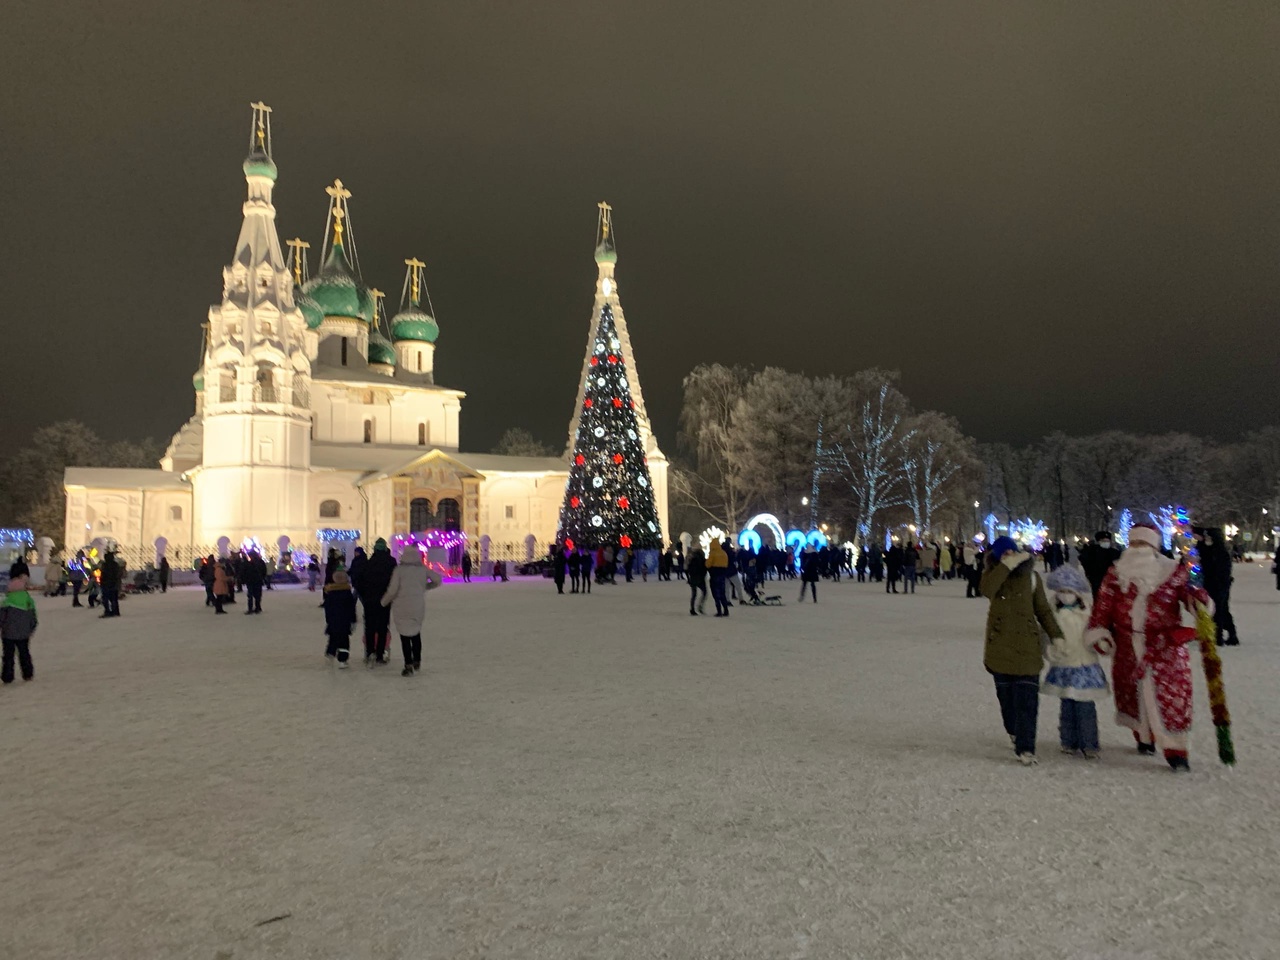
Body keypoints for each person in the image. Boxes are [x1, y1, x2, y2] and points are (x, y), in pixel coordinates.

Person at [1085, 523, 1209, 772]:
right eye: (1135, 544)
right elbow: (1103, 607)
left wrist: (1199, 604)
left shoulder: (1174, 571)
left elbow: (1190, 598)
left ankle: (1177, 749)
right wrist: (1100, 634)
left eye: (1144, 544)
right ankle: (1144, 737)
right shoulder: (1115, 573)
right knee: (1134, 694)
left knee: (1171, 697)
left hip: (1165, 646)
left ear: (1153, 546)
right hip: (1128, 646)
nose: (1138, 549)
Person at [981, 535, 1063, 766]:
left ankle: (1026, 747)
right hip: (1000, 649)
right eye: (1003, 553)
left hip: (1027, 646)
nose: (1008, 556)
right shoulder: (992, 576)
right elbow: (986, 590)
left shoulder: (1032, 578)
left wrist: (1056, 635)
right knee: (1007, 700)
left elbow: (1044, 610)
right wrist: (1003, 568)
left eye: (1011, 552)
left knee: (1027, 700)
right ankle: (1014, 731)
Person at [1040, 565, 1108, 758]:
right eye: (1061, 591)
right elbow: (1045, 635)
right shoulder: (1051, 612)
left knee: (1085, 706)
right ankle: (1068, 740)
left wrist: (1101, 642)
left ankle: (1089, 743)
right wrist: (1050, 650)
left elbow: (1097, 630)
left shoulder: (1087, 611)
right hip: (1063, 664)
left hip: (1085, 664)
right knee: (1067, 705)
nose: (1065, 595)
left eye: (1069, 591)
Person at [381, 546, 442, 676]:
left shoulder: (399, 570)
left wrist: (384, 602)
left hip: (401, 606)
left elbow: (392, 590)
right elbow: (438, 579)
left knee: (404, 636)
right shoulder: (422, 569)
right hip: (417, 605)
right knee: (415, 634)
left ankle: (408, 664)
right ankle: (417, 660)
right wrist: (426, 587)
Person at [353, 539, 397, 665]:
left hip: (370, 600)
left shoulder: (368, 564)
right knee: (383, 627)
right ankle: (379, 654)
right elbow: (395, 581)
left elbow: (358, 581)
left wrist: (364, 595)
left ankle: (369, 652)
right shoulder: (391, 563)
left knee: (370, 627)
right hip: (385, 599)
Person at [1194, 527, 1237, 646]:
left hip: (1218, 584)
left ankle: (1219, 636)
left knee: (1218, 609)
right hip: (1215, 583)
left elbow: (1219, 568)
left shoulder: (1218, 551)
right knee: (1219, 608)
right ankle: (1227, 634)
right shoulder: (1212, 549)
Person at [1, 571, 38, 684]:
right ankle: (27, 673)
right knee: (24, 653)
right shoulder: (29, 601)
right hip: (23, 633)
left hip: (8, 633)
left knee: (8, 655)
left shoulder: (6, 602)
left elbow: (1, 618)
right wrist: (30, 629)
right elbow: (33, 618)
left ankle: (7, 676)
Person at [323, 570, 357, 667]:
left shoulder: (330, 593)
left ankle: (330, 652)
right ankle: (342, 659)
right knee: (344, 641)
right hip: (345, 622)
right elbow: (351, 609)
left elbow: (327, 608)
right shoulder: (347, 594)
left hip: (333, 621)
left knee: (333, 638)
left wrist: (328, 619)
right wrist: (353, 620)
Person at [1078, 531, 1122, 598]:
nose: (1106, 542)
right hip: (1096, 580)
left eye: (1107, 540)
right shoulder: (1092, 551)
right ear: (1099, 541)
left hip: (1111, 581)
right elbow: (1085, 562)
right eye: (1103, 540)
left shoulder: (1114, 552)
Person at [706, 538, 730, 616]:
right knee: (722, 593)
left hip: (714, 575)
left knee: (716, 594)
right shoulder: (723, 553)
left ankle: (719, 611)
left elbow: (708, 564)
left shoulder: (713, 553)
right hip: (722, 575)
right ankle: (726, 610)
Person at [99, 549, 122, 618]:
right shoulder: (115, 565)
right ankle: (115, 611)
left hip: (106, 583)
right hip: (113, 584)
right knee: (114, 599)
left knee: (106, 599)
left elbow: (103, 574)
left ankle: (108, 611)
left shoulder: (105, 565)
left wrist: (101, 581)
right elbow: (118, 574)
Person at [242, 550, 267, 614]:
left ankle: (251, 608)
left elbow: (245, 572)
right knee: (257, 595)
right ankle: (257, 607)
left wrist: (245, 579)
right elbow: (264, 571)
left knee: (250, 596)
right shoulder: (260, 562)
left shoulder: (249, 563)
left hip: (251, 581)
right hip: (258, 580)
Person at [685, 543, 707, 615]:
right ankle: (700, 606)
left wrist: (689, 577)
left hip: (693, 578)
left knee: (694, 594)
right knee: (704, 592)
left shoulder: (691, 558)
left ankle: (692, 609)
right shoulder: (701, 558)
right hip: (700, 578)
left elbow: (688, 568)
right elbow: (704, 568)